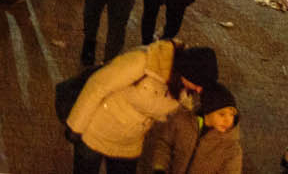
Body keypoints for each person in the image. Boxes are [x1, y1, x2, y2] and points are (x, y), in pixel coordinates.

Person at [65, 42, 219, 174]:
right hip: (96, 132)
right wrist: (75, 126)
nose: (199, 90)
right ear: (186, 73)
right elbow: (97, 86)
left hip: (130, 144)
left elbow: (183, 116)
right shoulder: (142, 62)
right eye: (198, 84)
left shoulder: (185, 88)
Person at [146, 81, 242, 174]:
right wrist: (160, 168)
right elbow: (165, 144)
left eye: (232, 114)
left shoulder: (231, 148)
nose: (228, 121)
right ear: (207, 110)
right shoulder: (182, 121)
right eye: (222, 114)